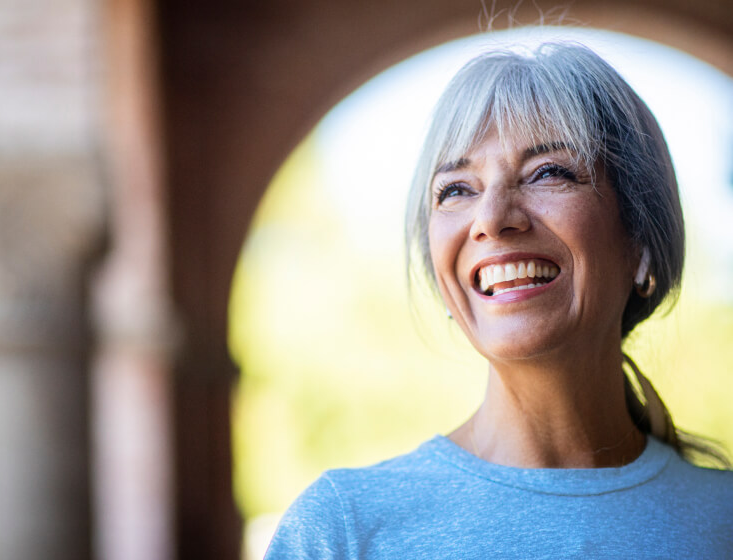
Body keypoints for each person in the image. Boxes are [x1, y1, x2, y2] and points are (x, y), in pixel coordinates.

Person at [264, 41, 733, 558]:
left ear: (641, 241)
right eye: (456, 189)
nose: (490, 219)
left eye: (548, 172)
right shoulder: (342, 530)